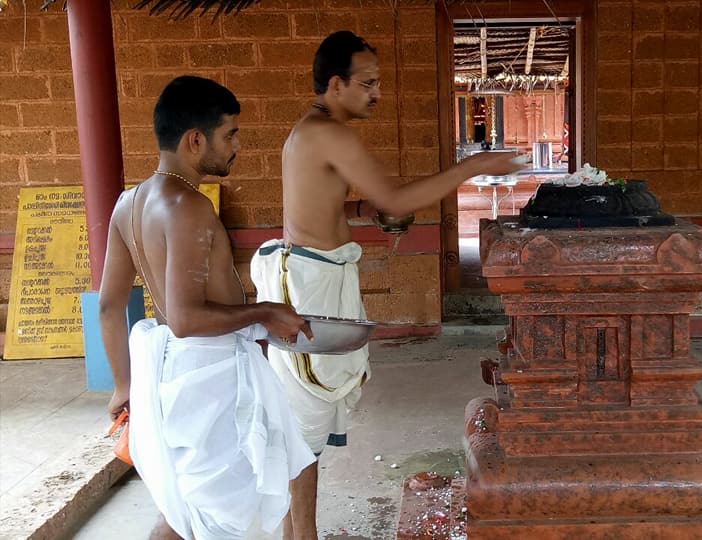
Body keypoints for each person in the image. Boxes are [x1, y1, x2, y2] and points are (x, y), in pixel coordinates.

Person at [249, 30, 525, 539]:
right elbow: (399, 202)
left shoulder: (314, 130)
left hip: (315, 275)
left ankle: (298, 533)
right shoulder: (329, 133)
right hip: (310, 285)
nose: (377, 93)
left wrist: (361, 209)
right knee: (302, 425)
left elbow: (327, 206)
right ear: (337, 84)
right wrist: (474, 166)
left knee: (304, 422)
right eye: (368, 83)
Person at [98, 75, 317, 540]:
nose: (237, 146)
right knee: (217, 517)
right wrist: (264, 312)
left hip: (175, 376)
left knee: (190, 510)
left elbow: (109, 305)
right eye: (230, 135)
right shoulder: (188, 206)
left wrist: (124, 385)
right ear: (195, 139)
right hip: (209, 377)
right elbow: (185, 318)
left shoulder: (127, 204)